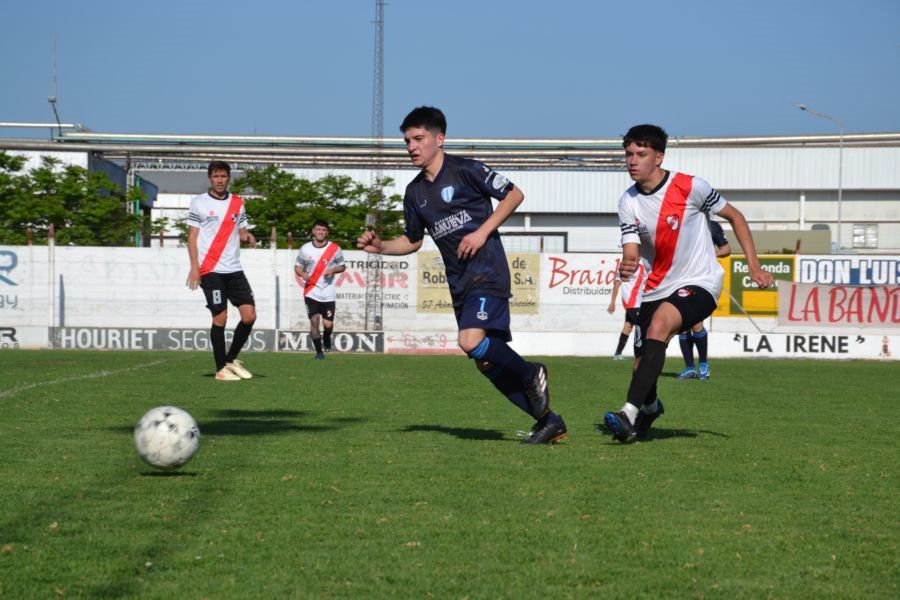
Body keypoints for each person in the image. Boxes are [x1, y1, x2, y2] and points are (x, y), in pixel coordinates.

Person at [357, 106, 566, 445]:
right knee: (484, 361)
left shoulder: (466, 170)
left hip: (488, 272)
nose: (411, 146)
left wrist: (482, 232)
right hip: (459, 284)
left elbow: (514, 194)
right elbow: (412, 241)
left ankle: (532, 373)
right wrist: (380, 246)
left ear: (440, 139)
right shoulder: (414, 193)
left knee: (469, 341)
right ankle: (548, 421)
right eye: (407, 140)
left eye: (418, 138)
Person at [603, 124, 773, 443]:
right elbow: (631, 248)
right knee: (640, 366)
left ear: (659, 156)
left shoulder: (690, 186)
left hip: (701, 282)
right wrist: (629, 261)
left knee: (659, 326)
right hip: (655, 287)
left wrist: (754, 265)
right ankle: (650, 407)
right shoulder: (628, 201)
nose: (632, 161)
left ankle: (628, 413)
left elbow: (735, 217)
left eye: (641, 154)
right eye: (628, 154)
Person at [186, 160, 257, 381]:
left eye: (223, 176)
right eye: (215, 176)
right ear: (210, 178)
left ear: (228, 178)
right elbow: (192, 236)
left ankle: (230, 358)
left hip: (234, 269)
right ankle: (220, 370)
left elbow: (241, 230)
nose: (219, 180)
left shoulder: (238, 202)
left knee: (249, 316)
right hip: (211, 269)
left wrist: (246, 236)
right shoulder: (199, 202)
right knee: (221, 317)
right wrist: (194, 268)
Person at [676, 219, 731, 379]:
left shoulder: (711, 225)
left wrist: (713, 254)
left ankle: (703, 366)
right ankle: (689, 368)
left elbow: (726, 248)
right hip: (680, 276)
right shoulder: (680, 224)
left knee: (696, 322)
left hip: (702, 278)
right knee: (682, 323)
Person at [294, 220, 347, 360]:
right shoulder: (305, 249)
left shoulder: (335, 248)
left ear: (327, 232)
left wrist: (334, 269)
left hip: (328, 293)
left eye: (323, 230)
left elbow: (342, 266)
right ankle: (319, 352)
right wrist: (303, 274)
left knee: (327, 324)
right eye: (318, 229)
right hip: (311, 291)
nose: (321, 232)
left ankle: (327, 336)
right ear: (313, 231)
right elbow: (297, 267)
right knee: (314, 322)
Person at [607, 258, 649, 360]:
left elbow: (646, 283)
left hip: (639, 302)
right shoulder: (625, 265)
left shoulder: (643, 266)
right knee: (643, 327)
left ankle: (617, 354)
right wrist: (612, 302)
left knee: (628, 327)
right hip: (631, 302)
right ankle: (643, 353)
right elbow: (617, 284)